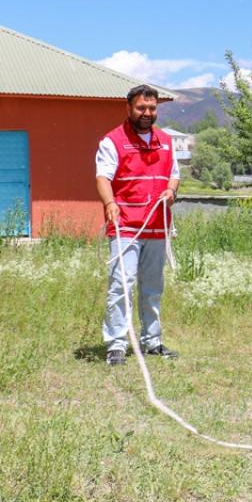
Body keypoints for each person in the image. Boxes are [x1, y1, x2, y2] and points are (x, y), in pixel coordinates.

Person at [97, 85, 180, 366]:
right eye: (141, 108)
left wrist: (171, 190)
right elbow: (103, 177)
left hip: (157, 226)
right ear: (129, 108)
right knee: (122, 284)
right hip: (126, 226)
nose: (147, 113)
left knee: (153, 287)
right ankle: (117, 345)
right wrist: (110, 203)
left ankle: (152, 341)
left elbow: (174, 175)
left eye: (152, 108)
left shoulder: (166, 141)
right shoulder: (112, 141)